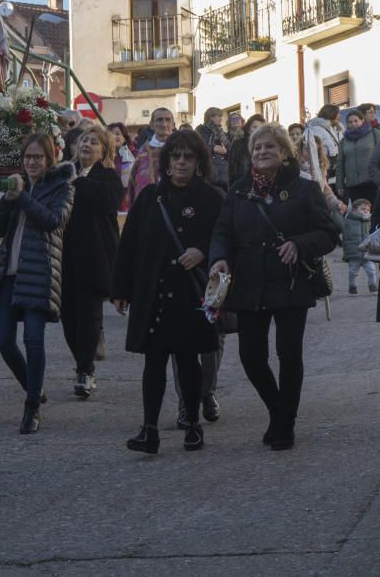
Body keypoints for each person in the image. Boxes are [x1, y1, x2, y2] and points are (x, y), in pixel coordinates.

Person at [210, 123, 340, 451]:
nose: (263, 152)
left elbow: (328, 235)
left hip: (290, 283)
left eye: (270, 147)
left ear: (284, 153)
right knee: (251, 356)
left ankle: (285, 424)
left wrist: (299, 244)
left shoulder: (304, 189)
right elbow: (222, 232)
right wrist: (220, 258)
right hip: (249, 283)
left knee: (288, 354)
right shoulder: (239, 190)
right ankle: (277, 409)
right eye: (257, 148)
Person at [112, 131, 223, 454]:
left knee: (189, 361)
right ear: (167, 161)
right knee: (154, 362)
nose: (182, 163)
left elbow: (225, 237)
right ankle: (149, 429)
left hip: (191, 293)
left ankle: (192, 425)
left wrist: (202, 251)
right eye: (176, 156)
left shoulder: (211, 198)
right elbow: (129, 244)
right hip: (154, 290)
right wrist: (120, 289)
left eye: (188, 157)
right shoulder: (150, 197)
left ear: (198, 161)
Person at [0, 133, 75, 434]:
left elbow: (52, 221)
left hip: (39, 271)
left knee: (33, 339)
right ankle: (34, 387)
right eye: (27, 158)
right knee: (4, 340)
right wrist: (7, 202)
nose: (31, 163)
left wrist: (23, 197)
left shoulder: (63, 187)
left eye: (38, 157)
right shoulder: (15, 185)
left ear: (49, 159)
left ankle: (31, 406)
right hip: (9, 271)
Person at [61, 123, 122, 398]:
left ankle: (85, 369)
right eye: (83, 140)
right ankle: (81, 364)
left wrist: (78, 182)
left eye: (94, 142)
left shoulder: (108, 177)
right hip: (64, 256)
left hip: (94, 256)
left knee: (88, 316)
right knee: (67, 317)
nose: (86, 145)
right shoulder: (64, 172)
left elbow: (105, 202)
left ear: (104, 151)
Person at [126, 108, 175, 206]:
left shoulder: (182, 148)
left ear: (173, 124)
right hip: (148, 206)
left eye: (168, 120)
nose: (164, 124)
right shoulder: (143, 153)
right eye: (159, 120)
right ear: (151, 125)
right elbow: (135, 184)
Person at [336, 109, 379, 204]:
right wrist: (339, 184)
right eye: (350, 122)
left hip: (373, 182)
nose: (353, 124)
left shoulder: (374, 134)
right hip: (353, 186)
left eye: (356, 121)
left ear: (362, 121)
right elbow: (340, 164)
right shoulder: (344, 141)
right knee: (357, 215)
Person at [341, 199, 377, 294]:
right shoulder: (348, 221)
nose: (366, 211)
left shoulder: (369, 221)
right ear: (354, 210)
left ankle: (373, 287)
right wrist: (346, 253)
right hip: (354, 252)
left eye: (368, 210)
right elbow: (344, 236)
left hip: (367, 253)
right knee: (353, 272)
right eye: (363, 209)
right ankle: (352, 287)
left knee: (371, 270)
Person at [196, 107, 230, 191]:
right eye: (218, 116)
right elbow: (197, 148)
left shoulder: (221, 132)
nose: (220, 118)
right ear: (210, 117)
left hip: (224, 172)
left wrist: (226, 150)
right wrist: (213, 149)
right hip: (209, 171)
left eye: (220, 116)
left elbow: (229, 148)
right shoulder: (201, 130)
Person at [228, 114, 265, 186]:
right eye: (254, 127)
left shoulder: (265, 145)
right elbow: (231, 168)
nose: (257, 130)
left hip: (260, 185)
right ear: (248, 128)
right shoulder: (238, 143)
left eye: (260, 128)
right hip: (241, 184)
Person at [305, 104, 344, 170]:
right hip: (323, 165)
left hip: (334, 165)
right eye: (338, 114)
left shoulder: (334, 127)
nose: (339, 116)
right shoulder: (316, 128)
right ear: (332, 114)